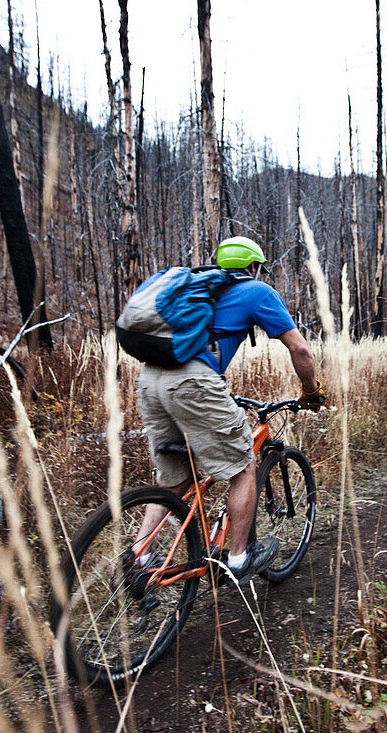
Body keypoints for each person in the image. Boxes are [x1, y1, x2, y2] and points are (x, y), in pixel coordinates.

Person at [132, 236, 327, 583]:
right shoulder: (257, 291)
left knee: (175, 478)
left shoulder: (195, 286)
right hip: (193, 382)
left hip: (149, 379)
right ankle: (238, 558)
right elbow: (301, 351)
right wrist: (312, 392)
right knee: (244, 465)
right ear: (253, 266)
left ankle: (139, 556)